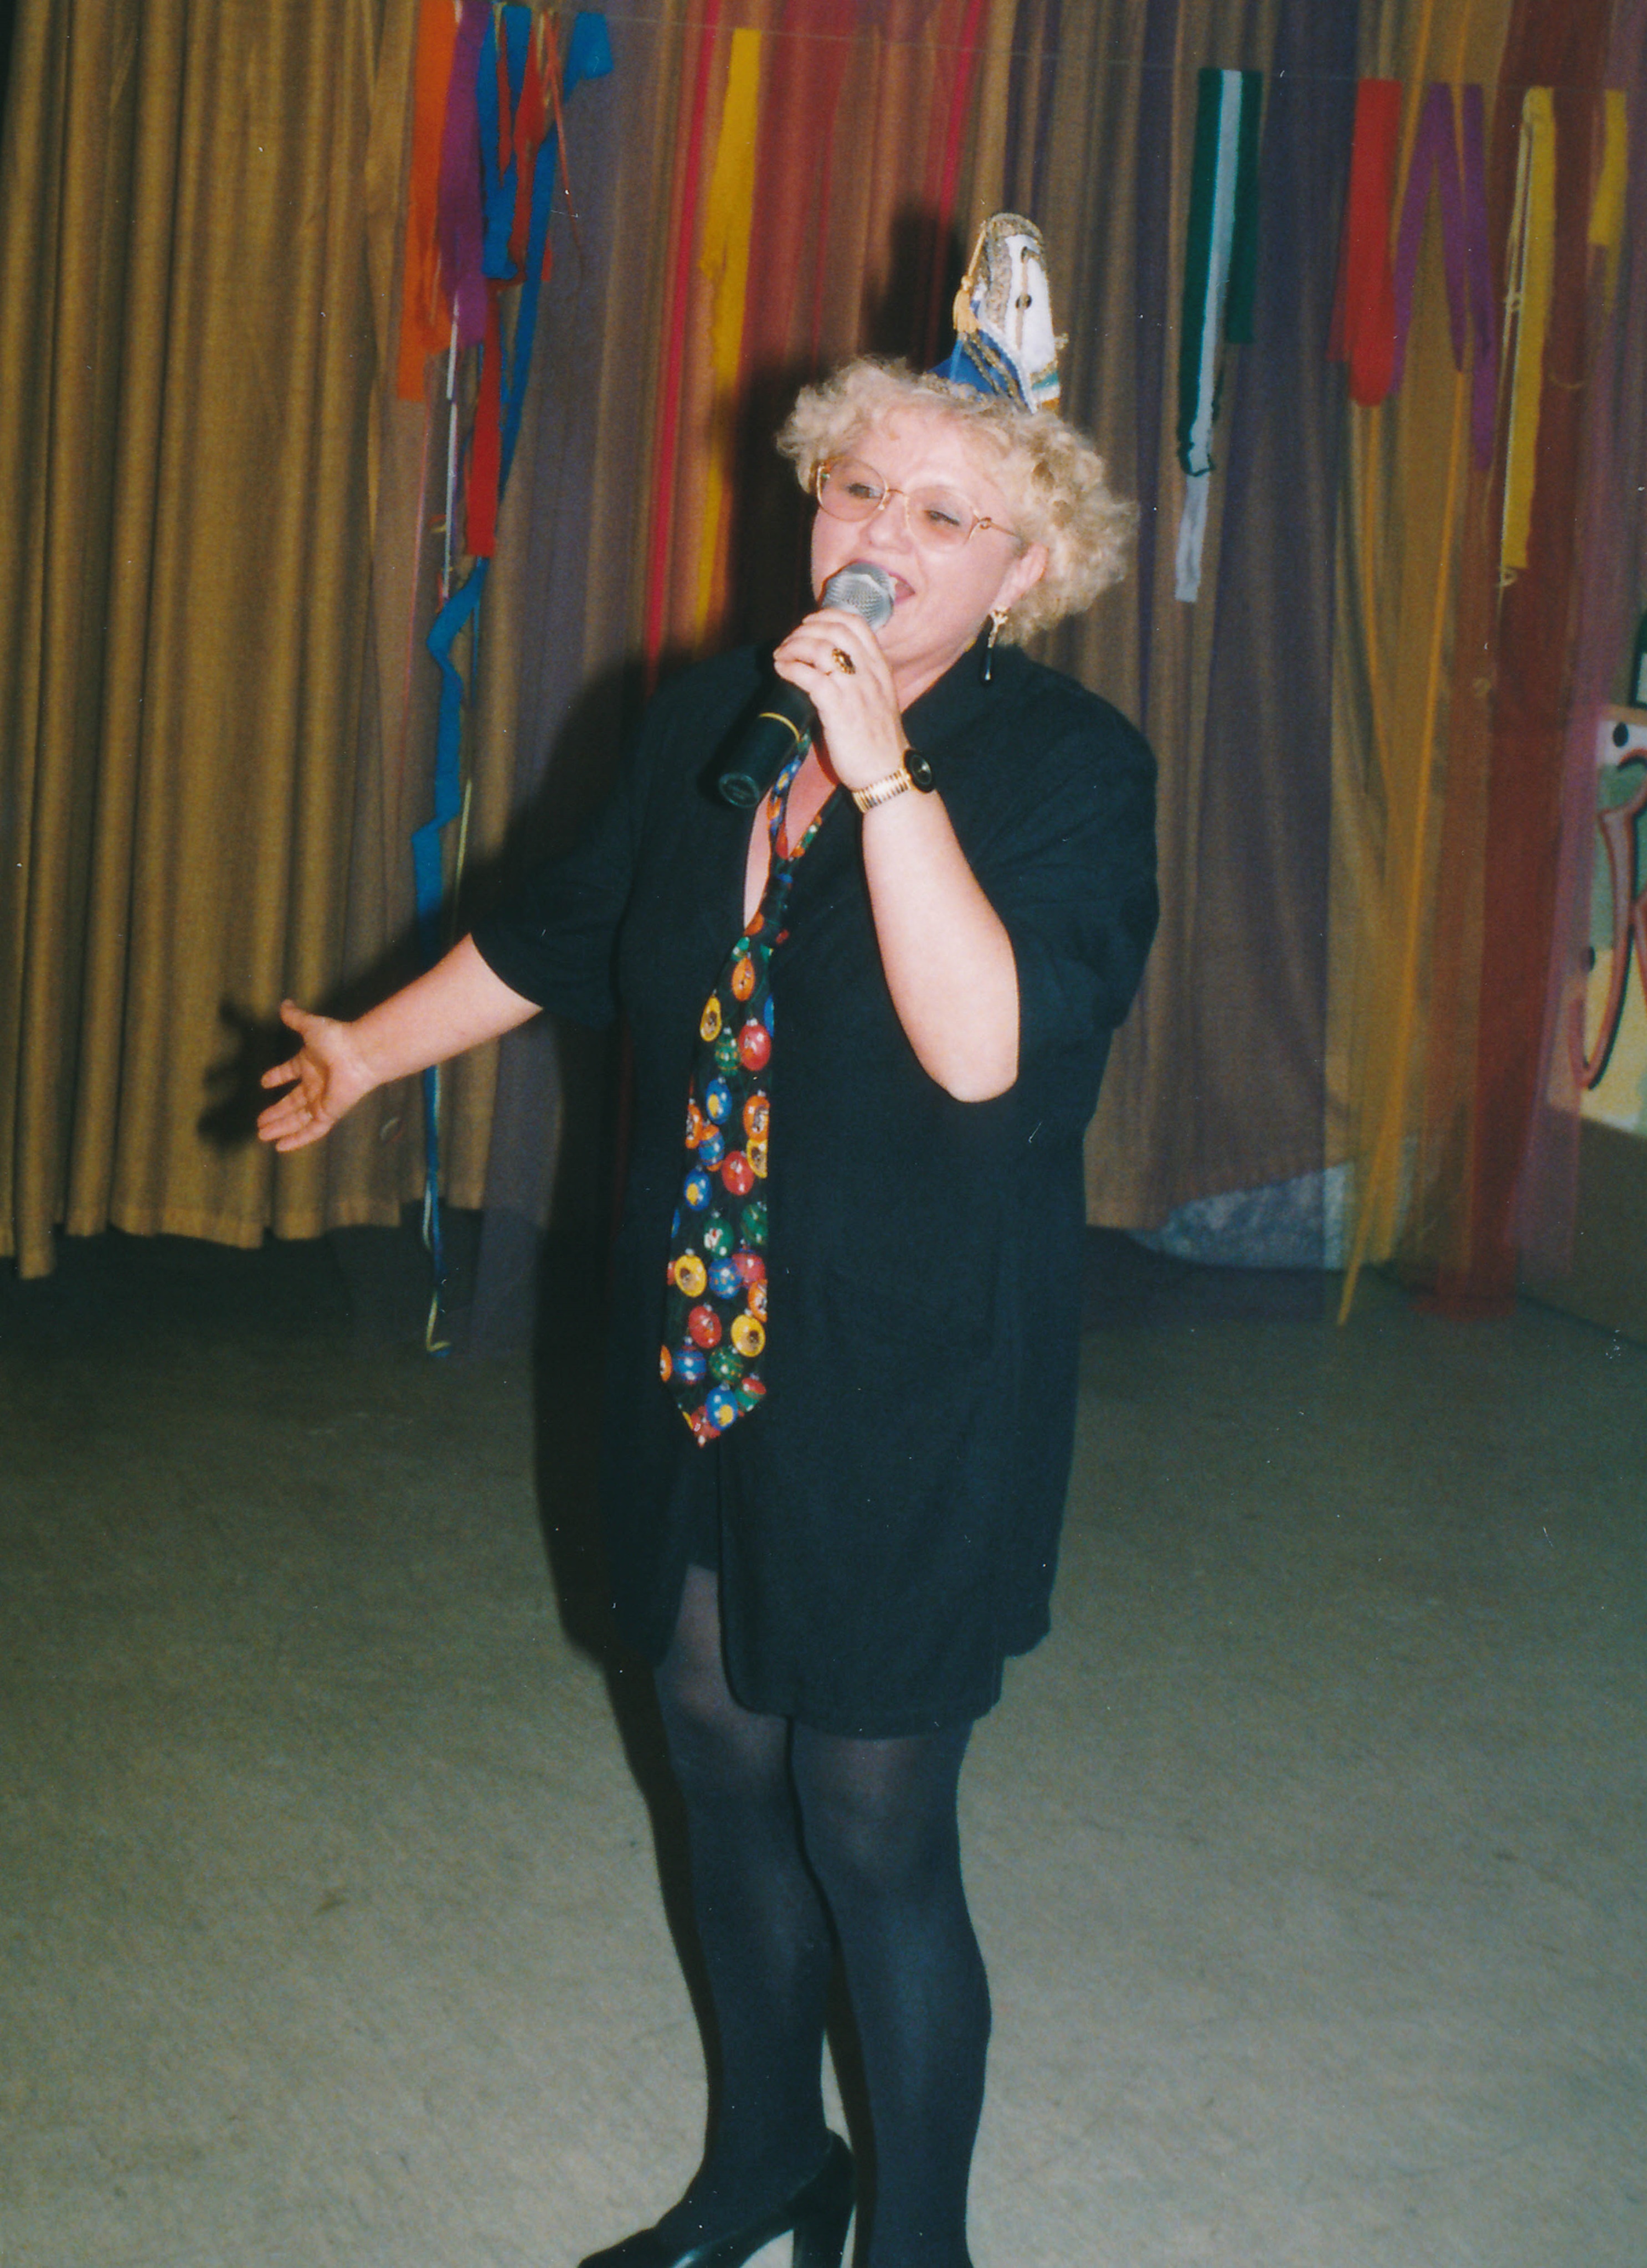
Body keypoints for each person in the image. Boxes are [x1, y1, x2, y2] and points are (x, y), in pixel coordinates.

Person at [259, 349, 1156, 2268]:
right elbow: (569, 930)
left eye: (945, 514)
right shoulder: (713, 724)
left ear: (1029, 569)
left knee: (872, 1816)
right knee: (716, 1744)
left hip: (914, 1366)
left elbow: (986, 1048)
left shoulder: (1073, 772)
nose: (881, 538)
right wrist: (370, 1049)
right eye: (857, 491)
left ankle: (920, 2246)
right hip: (705, 1328)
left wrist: (882, 772)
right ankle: (767, 2165)